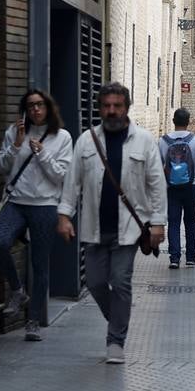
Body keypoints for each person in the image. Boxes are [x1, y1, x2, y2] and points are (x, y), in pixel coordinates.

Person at [56, 82, 166, 365]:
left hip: (129, 228)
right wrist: (64, 215)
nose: (112, 111)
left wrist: (158, 223)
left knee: (120, 281)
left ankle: (115, 339)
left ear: (126, 108)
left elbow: (156, 184)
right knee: (93, 282)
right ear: (100, 108)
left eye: (117, 106)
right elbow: (72, 181)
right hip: (94, 227)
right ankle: (118, 317)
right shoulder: (86, 140)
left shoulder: (143, 141)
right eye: (106, 106)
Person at [0, 89, 73, 342]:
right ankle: (17, 291)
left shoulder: (61, 137)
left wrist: (43, 154)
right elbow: (2, 167)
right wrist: (16, 145)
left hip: (45, 205)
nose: (35, 110)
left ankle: (33, 321)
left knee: (40, 264)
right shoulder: (14, 132)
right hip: (15, 201)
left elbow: (61, 175)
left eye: (39, 105)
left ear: (48, 107)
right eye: (30, 106)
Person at [160, 108, 195, 268]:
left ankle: (174, 258)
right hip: (192, 186)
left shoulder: (163, 141)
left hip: (171, 188)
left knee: (173, 222)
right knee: (191, 221)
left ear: (173, 121)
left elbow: (157, 166)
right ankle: (190, 256)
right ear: (188, 122)